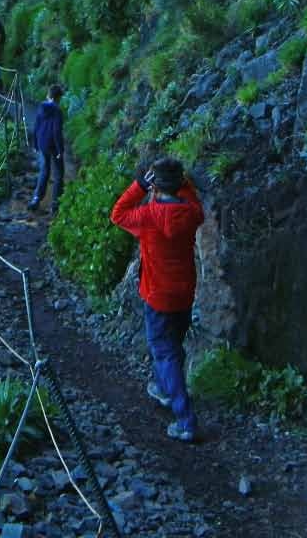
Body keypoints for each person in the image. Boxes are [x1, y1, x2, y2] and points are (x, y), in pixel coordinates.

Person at [110, 157, 204, 443]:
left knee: (164, 353)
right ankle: (165, 389)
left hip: (157, 295)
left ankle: (186, 420)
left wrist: (139, 185)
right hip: (185, 292)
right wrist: (181, 181)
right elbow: (193, 200)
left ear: (154, 186)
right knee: (174, 345)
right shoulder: (190, 213)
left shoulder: (147, 217)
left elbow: (118, 213)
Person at [28, 85, 65, 215]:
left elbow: (36, 127)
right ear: (58, 97)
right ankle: (55, 203)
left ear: (48, 95)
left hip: (42, 143)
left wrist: (35, 144)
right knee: (59, 174)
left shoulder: (41, 108)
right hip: (54, 146)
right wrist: (60, 149)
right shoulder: (57, 111)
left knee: (44, 170)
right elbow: (56, 131)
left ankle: (36, 198)